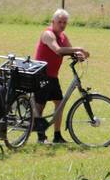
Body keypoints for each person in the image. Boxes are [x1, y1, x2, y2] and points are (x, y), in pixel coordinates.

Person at [33, 9, 90, 144]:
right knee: (39, 106)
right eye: (59, 22)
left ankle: (57, 136)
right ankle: (41, 137)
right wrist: (79, 49)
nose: (62, 25)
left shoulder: (63, 37)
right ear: (53, 22)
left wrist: (81, 55)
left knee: (59, 104)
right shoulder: (48, 34)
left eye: (65, 22)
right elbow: (58, 50)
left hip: (53, 75)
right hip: (41, 75)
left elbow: (70, 50)